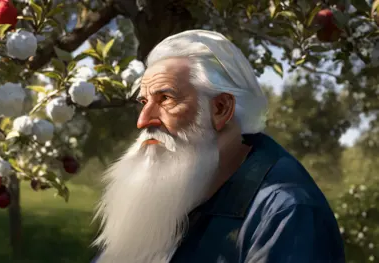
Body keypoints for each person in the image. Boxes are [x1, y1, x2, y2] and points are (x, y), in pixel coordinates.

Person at [90, 30, 345, 263]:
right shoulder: (170, 183)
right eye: (144, 101)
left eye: (165, 99)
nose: (143, 120)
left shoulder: (287, 213)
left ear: (221, 109)